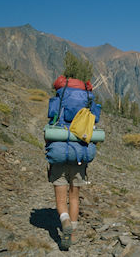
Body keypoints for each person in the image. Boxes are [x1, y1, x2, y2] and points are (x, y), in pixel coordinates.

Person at [46, 52, 98, 250]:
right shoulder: (87, 97)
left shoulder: (60, 98)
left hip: (59, 151)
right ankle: (73, 235)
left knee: (61, 200)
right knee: (74, 196)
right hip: (80, 154)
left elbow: (50, 121)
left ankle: (65, 221)